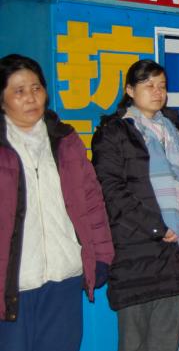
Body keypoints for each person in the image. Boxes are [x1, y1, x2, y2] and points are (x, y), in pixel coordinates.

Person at [0, 54, 114, 351]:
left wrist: (101, 255)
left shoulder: (65, 140)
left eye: (36, 88)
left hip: (64, 277)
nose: (31, 98)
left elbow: (91, 202)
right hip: (13, 286)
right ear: (2, 100)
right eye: (19, 90)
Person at [92, 59, 179, 351]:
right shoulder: (114, 133)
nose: (158, 92)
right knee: (134, 343)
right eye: (148, 85)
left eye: (162, 86)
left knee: (166, 341)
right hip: (136, 253)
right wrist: (157, 226)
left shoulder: (176, 131)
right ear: (130, 90)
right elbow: (111, 190)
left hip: (175, 251)